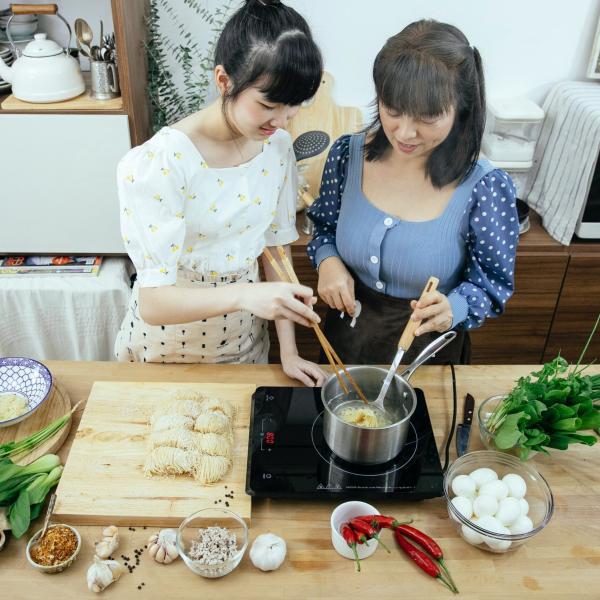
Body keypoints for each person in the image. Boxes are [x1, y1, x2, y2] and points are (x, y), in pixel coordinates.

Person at [114, 0, 327, 387]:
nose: (280, 121)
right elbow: (154, 303)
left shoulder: (276, 147)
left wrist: (290, 352)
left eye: (293, 107)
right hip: (169, 349)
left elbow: (275, 251)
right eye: (268, 105)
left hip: (246, 343)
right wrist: (246, 295)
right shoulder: (163, 161)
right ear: (224, 80)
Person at [307, 19, 518, 366]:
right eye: (393, 110)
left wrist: (456, 307)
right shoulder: (347, 155)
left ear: (461, 109)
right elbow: (323, 228)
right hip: (341, 347)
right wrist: (328, 262)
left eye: (428, 117)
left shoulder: (486, 187)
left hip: (427, 357)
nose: (405, 132)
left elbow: (491, 285)